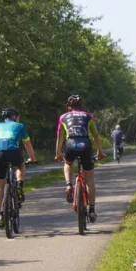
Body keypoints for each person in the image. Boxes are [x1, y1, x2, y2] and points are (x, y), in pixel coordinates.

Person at [55, 94, 106, 222]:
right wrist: (100, 151)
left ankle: (68, 185)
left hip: (70, 144)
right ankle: (92, 210)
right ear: (81, 106)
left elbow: (60, 137)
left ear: (69, 107)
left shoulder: (63, 117)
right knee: (89, 180)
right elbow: (95, 135)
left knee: (68, 163)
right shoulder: (88, 116)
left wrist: (58, 153)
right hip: (85, 144)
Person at [0, 107, 36, 231]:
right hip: (14, 152)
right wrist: (32, 158)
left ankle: (0, 213)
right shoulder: (19, 126)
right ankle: (19, 185)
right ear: (15, 116)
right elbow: (27, 144)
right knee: (20, 165)